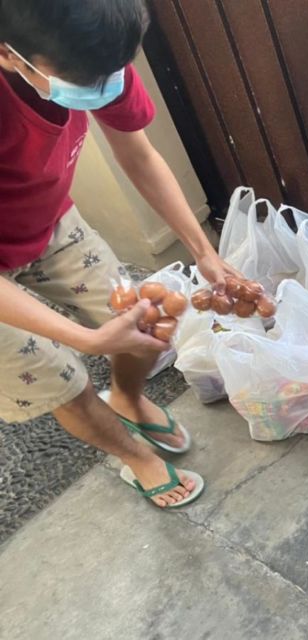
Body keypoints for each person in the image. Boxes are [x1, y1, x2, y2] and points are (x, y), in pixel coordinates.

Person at [0, 0, 238, 508]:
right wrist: (84, 340)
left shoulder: (96, 55)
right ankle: (137, 458)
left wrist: (204, 250)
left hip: (47, 221)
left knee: (145, 319)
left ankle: (128, 397)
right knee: (59, 380)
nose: (103, 87)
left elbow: (138, 152)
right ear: (8, 55)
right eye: (83, 80)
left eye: (112, 73)